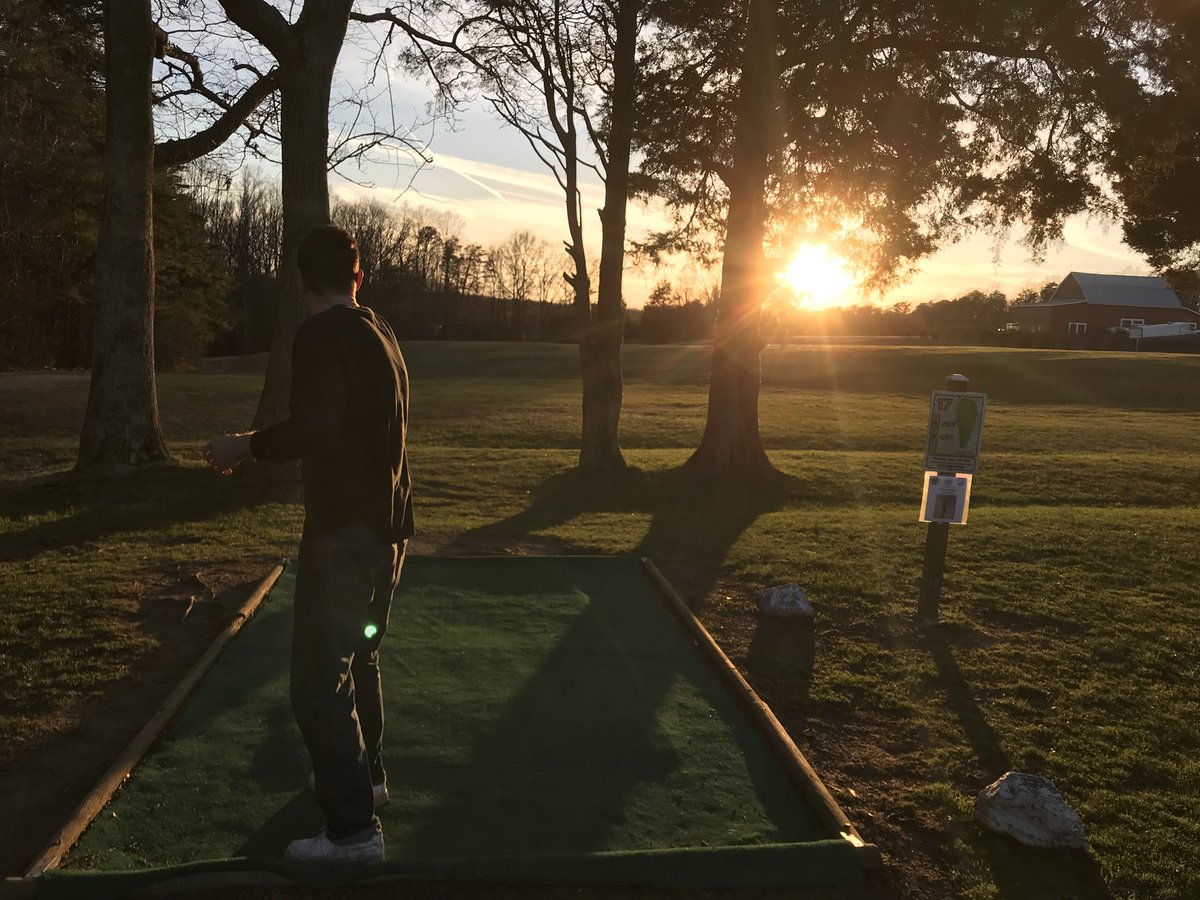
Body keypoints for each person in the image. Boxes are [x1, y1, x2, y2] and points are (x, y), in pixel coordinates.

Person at [203, 225, 413, 864]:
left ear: (301, 282)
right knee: (362, 657)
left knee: (318, 681)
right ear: (358, 272)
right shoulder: (380, 329)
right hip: (389, 528)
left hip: (345, 532)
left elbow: (317, 428)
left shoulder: (321, 335)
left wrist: (247, 446)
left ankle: (351, 832)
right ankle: (366, 782)